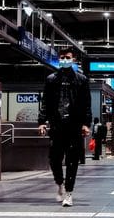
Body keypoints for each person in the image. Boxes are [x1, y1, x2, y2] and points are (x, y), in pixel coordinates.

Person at [38, 47, 91, 207]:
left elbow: (86, 103)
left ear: (73, 59)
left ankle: (69, 192)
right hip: (57, 125)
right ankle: (59, 183)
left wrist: (86, 124)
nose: (65, 60)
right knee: (54, 159)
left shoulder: (81, 80)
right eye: (62, 57)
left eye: (67, 57)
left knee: (72, 160)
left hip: (74, 126)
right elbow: (45, 102)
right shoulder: (51, 79)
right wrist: (41, 121)